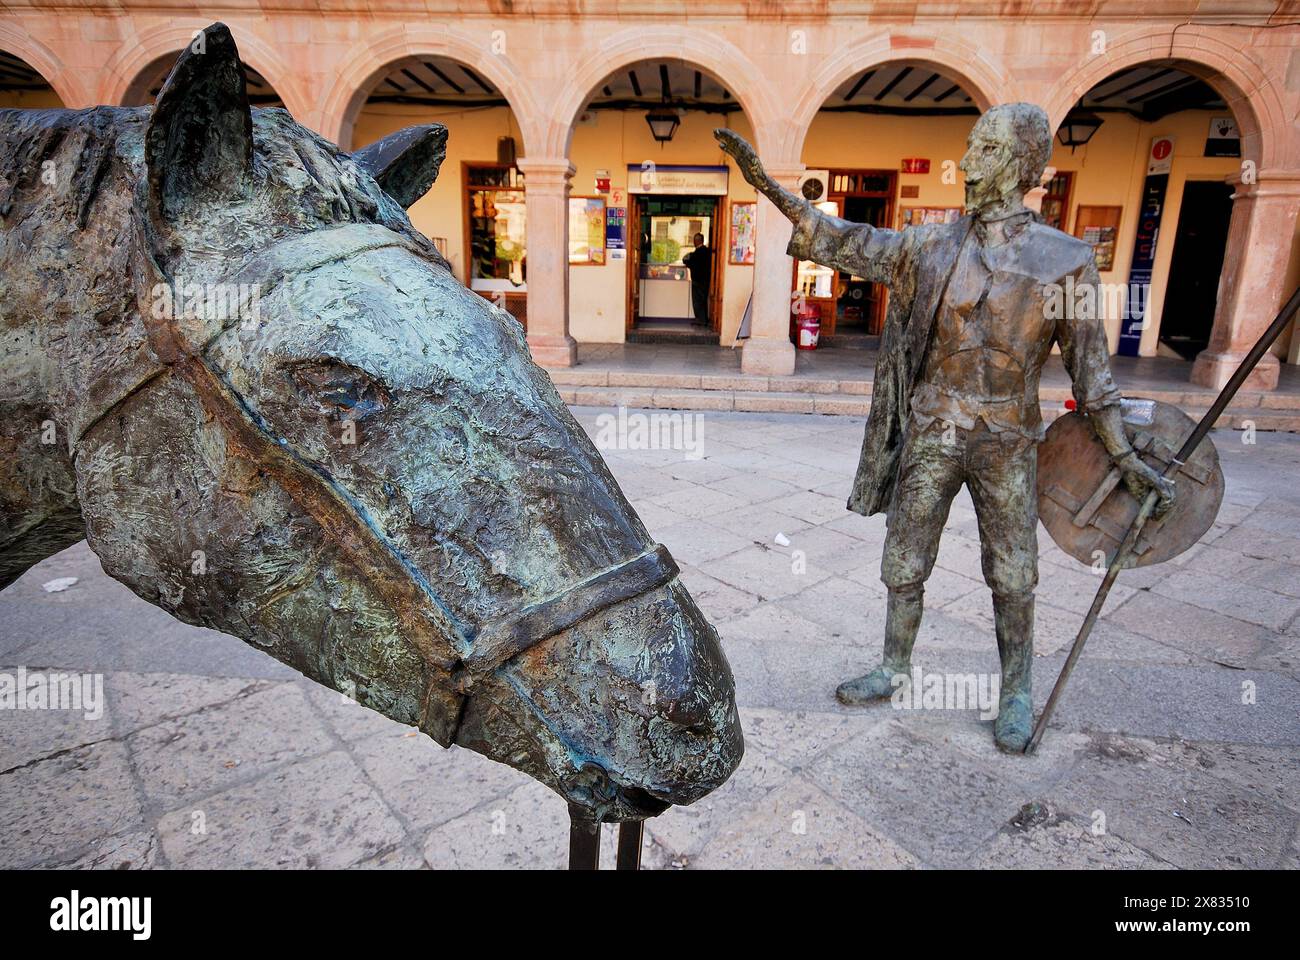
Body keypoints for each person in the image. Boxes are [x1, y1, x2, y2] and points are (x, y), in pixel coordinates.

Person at [714, 105, 1175, 752]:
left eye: (985, 150)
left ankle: (1015, 690)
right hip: (933, 428)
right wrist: (767, 185)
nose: (970, 163)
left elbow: (1092, 376)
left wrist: (1126, 458)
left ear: (1019, 164)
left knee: (1013, 572)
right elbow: (848, 239)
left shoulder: (1064, 261)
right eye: (971, 147)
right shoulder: (931, 246)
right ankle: (893, 666)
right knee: (904, 560)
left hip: (1009, 438)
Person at [682, 232, 713, 325]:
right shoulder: (707, 252)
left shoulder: (697, 253)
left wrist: (687, 263)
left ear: (697, 241)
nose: (693, 242)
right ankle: (703, 319)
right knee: (703, 300)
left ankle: (700, 320)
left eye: (694, 240)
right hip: (705, 279)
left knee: (697, 300)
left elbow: (689, 262)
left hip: (697, 280)